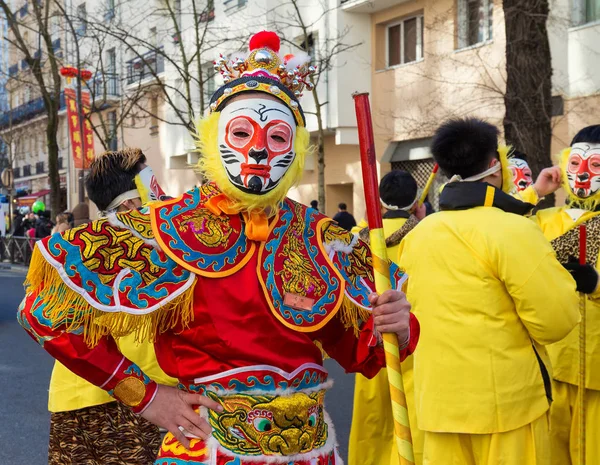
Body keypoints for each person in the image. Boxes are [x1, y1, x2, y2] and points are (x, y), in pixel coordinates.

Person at [18, 31, 418, 465]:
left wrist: (395, 324)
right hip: (209, 450)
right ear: (213, 139)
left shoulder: (322, 238)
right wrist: (144, 394)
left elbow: (367, 353)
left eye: (278, 137)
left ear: (297, 147)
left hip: (311, 452)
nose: (260, 151)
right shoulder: (164, 229)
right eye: (243, 132)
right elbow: (44, 311)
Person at [398, 117, 582, 465]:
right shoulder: (514, 231)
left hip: (438, 405)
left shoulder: (419, 235)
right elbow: (557, 320)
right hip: (506, 408)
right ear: (494, 165)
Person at [45, 148, 177, 465]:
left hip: (73, 402)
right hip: (147, 398)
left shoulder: (72, 248)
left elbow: (50, 323)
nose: (164, 197)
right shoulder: (164, 245)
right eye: (154, 188)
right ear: (132, 202)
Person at [532, 125, 600, 465]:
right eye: (575, 164)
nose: (584, 174)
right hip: (552, 365)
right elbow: (499, 233)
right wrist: (536, 192)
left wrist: (597, 285)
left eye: (596, 166)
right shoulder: (542, 220)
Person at [349, 170, 427, 465]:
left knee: (371, 425)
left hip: (370, 341)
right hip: (411, 344)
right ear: (415, 201)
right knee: (407, 425)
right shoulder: (423, 234)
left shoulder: (357, 238)